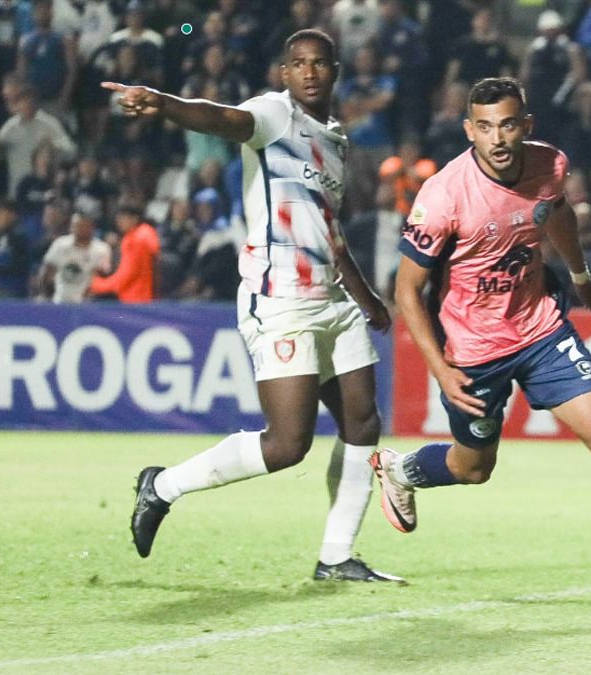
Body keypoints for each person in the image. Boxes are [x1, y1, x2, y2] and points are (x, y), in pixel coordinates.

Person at [384, 77, 591, 610]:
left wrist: (581, 275)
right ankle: (401, 469)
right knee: (474, 468)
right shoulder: (444, 194)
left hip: (541, 327)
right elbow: (406, 288)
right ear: (469, 129)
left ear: (526, 125)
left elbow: (554, 212)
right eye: (485, 126)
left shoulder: (550, 164)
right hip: (472, 350)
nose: (497, 138)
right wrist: (440, 370)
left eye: (508, 124)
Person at [111, 29, 400, 583]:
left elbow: (331, 234)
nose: (310, 72)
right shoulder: (273, 114)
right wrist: (164, 103)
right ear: (285, 73)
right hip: (281, 299)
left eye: (320, 63)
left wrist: (368, 299)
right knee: (288, 443)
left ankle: (337, 557)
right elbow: (220, 119)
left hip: (335, 301)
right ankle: (162, 486)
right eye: (298, 63)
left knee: (363, 422)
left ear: (334, 71)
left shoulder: (335, 140)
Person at [38, 208, 111, 303]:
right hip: (60, 300)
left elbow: (100, 276)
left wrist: (88, 298)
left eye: (82, 226)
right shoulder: (60, 244)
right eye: (75, 226)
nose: (77, 229)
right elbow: (47, 271)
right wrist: (45, 295)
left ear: (91, 227)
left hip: (87, 303)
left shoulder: (101, 249)